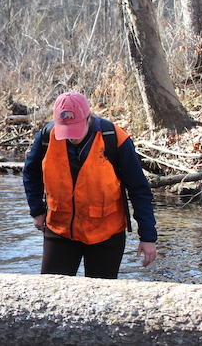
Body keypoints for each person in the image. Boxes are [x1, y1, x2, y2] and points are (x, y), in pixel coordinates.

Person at [22, 91, 157, 279]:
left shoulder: (114, 138)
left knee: (101, 298)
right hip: (59, 231)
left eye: (76, 129)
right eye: (66, 130)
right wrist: (36, 210)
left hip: (106, 234)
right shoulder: (46, 137)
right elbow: (30, 173)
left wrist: (148, 237)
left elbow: (139, 189)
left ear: (89, 117)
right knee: (51, 293)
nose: (71, 137)